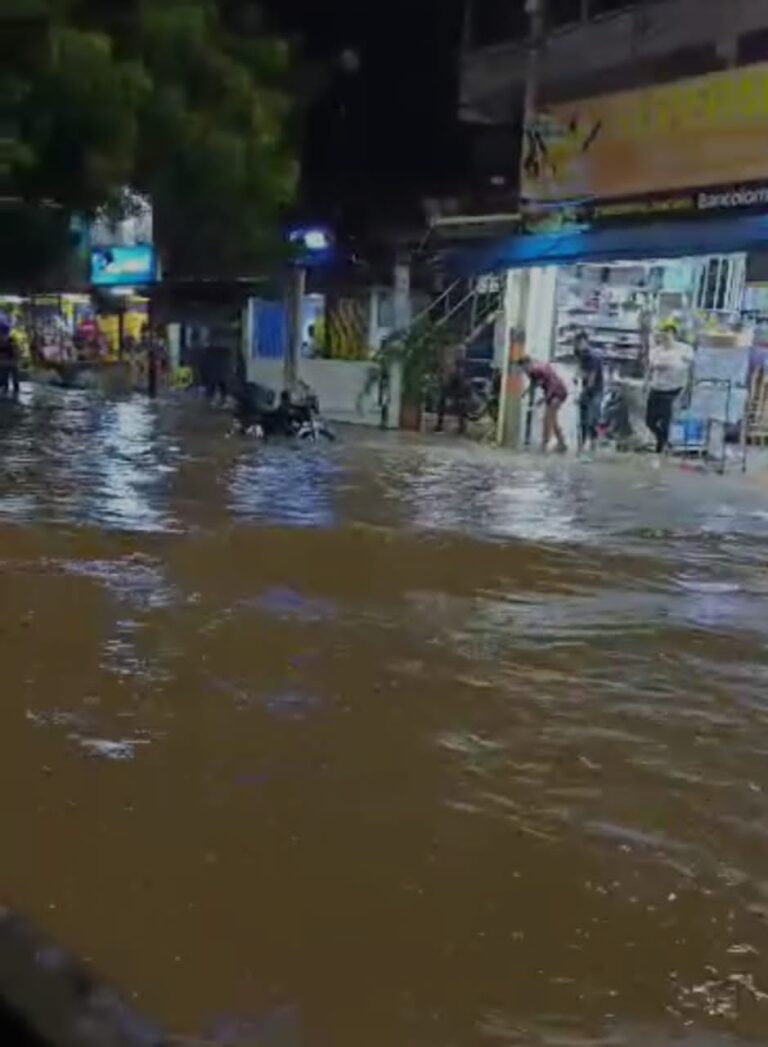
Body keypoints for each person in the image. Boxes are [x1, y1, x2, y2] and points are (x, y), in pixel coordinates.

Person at [645, 321, 694, 455]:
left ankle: (662, 446)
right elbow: (652, 366)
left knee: (666, 420)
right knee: (649, 421)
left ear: (674, 334)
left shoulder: (685, 349)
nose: (665, 336)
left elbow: (687, 367)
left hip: (674, 389)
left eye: (668, 333)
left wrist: (688, 389)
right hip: (656, 388)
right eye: (663, 333)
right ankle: (661, 438)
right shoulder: (656, 350)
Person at [520, 356, 568, 452]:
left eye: (525, 368)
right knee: (552, 419)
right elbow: (533, 384)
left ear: (529, 364)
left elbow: (552, 384)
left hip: (558, 392)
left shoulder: (540, 369)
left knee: (548, 418)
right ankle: (561, 443)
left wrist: (544, 399)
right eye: (523, 369)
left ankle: (545, 443)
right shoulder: (532, 373)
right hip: (553, 393)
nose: (525, 371)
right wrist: (525, 393)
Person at [573, 330, 604, 451]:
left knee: (593, 417)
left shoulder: (594, 357)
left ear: (586, 342)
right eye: (577, 343)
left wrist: (582, 392)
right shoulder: (579, 354)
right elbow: (579, 367)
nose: (579, 346)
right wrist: (576, 376)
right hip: (586, 388)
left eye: (581, 343)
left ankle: (592, 441)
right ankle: (583, 441)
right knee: (583, 417)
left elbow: (592, 379)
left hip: (596, 390)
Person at [435, 346, 469, 434]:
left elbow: (457, 375)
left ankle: (442, 424)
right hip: (455, 385)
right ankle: (442, 424)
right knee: (444, 401)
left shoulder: (456, 355)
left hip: (457, 386)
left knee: (458, 402)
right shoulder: (454, 353)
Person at [0, 322, 20, 399]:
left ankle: (14, 395)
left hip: (10, 363)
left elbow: (16, 351)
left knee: (14, 382)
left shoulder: (11, 341)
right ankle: (8, 394)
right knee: (5, 381)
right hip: (5, 364)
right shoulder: (10, 341)